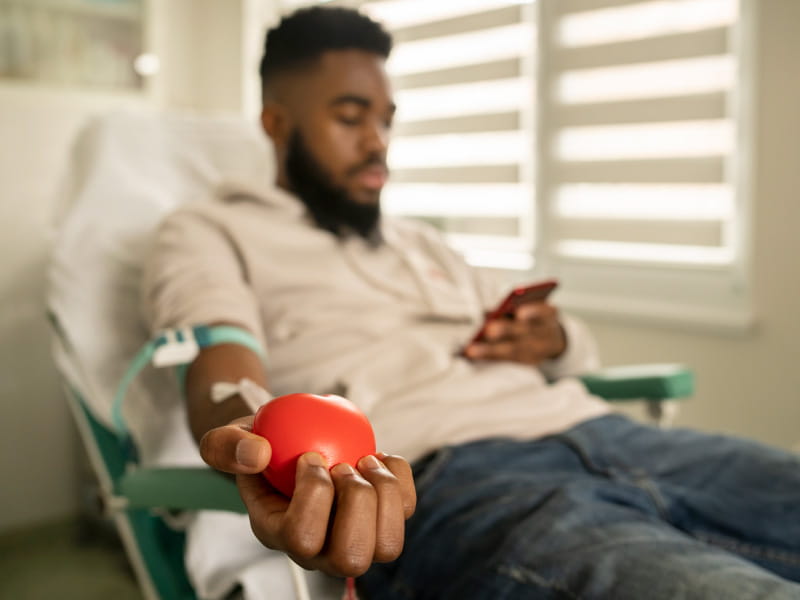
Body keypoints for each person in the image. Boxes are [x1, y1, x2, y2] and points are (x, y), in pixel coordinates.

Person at [141, 6, 800, 599]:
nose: (377, 142)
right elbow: (222, 369)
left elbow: (563, 344)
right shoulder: (209, 230)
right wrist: (254, 443)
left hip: (606, 432)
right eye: (350, 117)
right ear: (276, 123)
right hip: (454, 482)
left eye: (386, 120)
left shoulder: (421, 242)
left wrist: (551, 339)